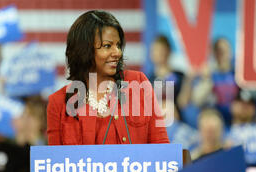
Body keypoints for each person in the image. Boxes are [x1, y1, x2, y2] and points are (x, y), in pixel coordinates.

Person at [47, 10, 169, 145]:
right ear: (84, 50)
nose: (117, 52)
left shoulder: (138, 83)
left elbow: (161, 148)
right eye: (107, 46)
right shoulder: (58, 103)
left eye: (118, 45)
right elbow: (55, 162)